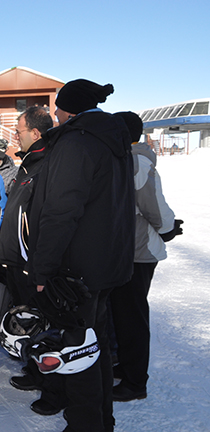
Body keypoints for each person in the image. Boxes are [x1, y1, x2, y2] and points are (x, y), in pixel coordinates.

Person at [27, 79, 134, 431]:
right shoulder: (112, 139)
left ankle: (86, 425)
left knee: (78, 353)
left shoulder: (78, 142)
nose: (55, 113)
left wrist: (42, 269)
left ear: (71, 109)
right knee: (95, 344)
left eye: (58, 107)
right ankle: (101, 421)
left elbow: (61, 211)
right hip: (104, 264)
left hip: (77, 271)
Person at [110, 111, 183, 403]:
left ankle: (135, 382)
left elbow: (154, 205)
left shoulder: (136, 161)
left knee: (132, 318)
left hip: (139, 252)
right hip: (128, 249)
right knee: (122, 314)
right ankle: (125, 368)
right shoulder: (127, 158)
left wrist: (166, 230)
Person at [0, 106, 53, 306]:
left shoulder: (46, 166)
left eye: (19, 131)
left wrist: (36, 265)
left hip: (28, 265)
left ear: (35, 133)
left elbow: (49, 220)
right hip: (16, 262)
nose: (15, 135)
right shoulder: (28, 164)